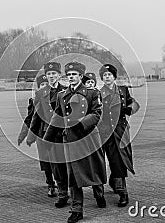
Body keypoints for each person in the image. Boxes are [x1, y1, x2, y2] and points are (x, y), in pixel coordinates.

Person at [44, 62, 106, 223]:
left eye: (74, 74)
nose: (71, 77)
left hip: (89, 138)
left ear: (80, 76)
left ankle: (99, 193)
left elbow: (97, 113)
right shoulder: (61, 95)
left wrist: (81, 122)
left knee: (94, 169)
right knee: (74, 174)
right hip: (71, 140)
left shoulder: (92, 93)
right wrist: (47, 139)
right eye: (69, 75)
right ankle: (77, 209)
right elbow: (56, 117)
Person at [98, 64, 140, 207]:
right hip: (106, 132)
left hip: (121, 131)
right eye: (104, 75)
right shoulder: (99, 93)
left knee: (121, 160)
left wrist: (129, 109)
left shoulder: (123, 90)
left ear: (114, 77)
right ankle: (117, 187)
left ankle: (120, 187)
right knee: (109, 159)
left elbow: (134, 103)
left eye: (109, 75)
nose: (107, 77)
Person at [29, 62, 69, 207]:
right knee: (56, 165)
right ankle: (62, 193)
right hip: (49, 134)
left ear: (59, 75)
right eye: (49, 74)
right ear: (46, 76)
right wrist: (32, 134)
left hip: (65, 133)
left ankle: (72, 189)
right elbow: (36, 115)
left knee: (68, 163)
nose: (51, 76)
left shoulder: (66, 90)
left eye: (54, 73)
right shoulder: (40, 93)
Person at [17, 74, 56, 197]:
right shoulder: (34, 100)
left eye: (46, 85)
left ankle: (61, 184)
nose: (44, 87)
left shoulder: (58, 97)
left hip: (55, 134)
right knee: (45, 160)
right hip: (41, 134)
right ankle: (50, 183)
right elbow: (30, 119)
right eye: (42, 85)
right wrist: (23, 135)